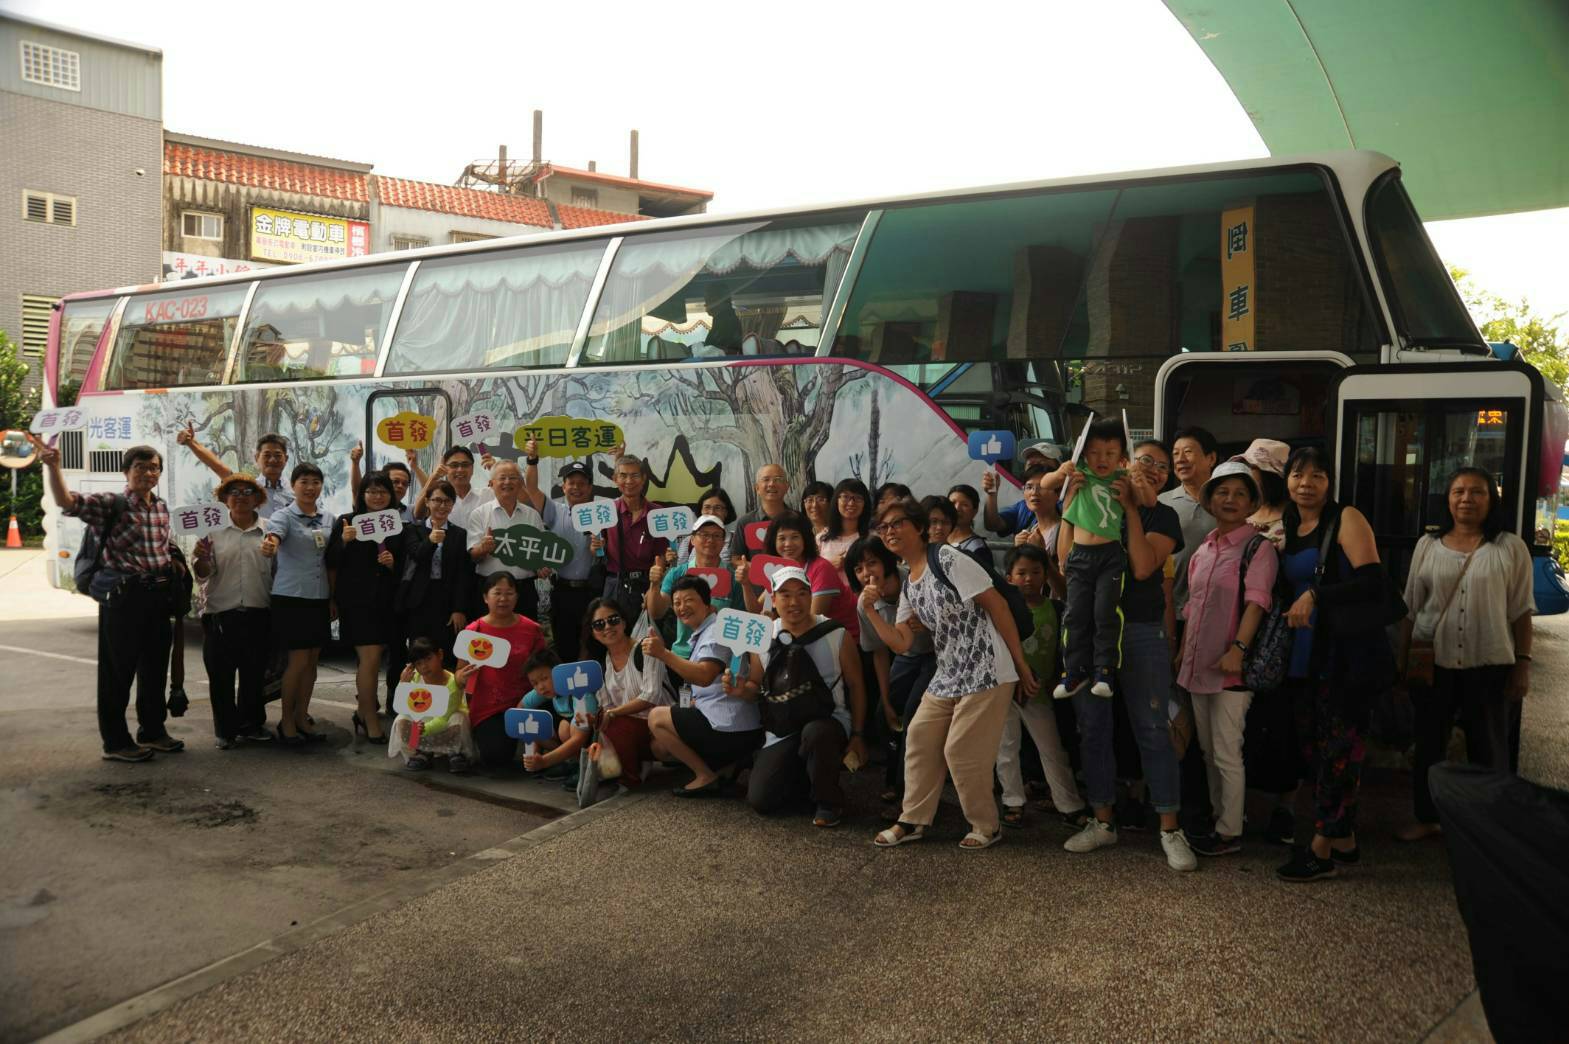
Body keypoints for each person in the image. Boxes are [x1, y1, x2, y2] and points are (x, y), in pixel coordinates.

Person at [864, 498, 1037, 851]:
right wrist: (868, 609)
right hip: (949, 672)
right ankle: (912, 819)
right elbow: (900, 643)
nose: (891, 532)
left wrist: (1020, 665)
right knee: (920, 738)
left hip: (988, 668)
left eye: (898, 523)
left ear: (918, 527)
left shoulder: (946, 558)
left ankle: (986, 825)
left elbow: (997, 605)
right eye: (884, 528)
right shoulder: (909, 582)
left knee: (961, 751)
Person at [1060, 441, 1196, 870]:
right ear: (1124, 464)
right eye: (1144, 461)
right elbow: (1066, 562)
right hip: (1090, 636)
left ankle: (1170, 829)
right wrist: (1070, 501)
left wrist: (1133, 510)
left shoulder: (1163, 515)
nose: (1153, 469)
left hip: (1139, 631)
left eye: (1160, 465)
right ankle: (1102, 821)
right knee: (1093, 727)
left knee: (1152, 729)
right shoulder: (1092, 496)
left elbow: (1141, 568)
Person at [1274, 446, 1396, 882]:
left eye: (1318, 475)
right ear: (1286, 479)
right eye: (1298, 474)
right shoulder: (1288, 523)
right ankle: (1344, 839)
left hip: (1347, 656)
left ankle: (1321, 849)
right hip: (1305, 655)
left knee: (1339, 752)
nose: (1306, 483)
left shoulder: (1346, 518)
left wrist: (1317, 595)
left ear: (1331, 482)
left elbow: (1372, 581)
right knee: (1316, 749)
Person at [1398, 467, 1534, 842]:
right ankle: (1427, 818)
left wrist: (1523, 664)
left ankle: (1485, 825)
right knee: (1429, 745)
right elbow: (1410, 608)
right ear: (1448, 499)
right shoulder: (1428, 545)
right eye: (1459, 491)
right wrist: (1402, 659)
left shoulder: (1509, 547)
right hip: (1433, 662)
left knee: (1487, 750)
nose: (1466, 499)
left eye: (1477, 492)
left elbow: (1522, 611)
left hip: (1489, 663)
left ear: (1491, 500)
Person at [36, 439, 187, 762]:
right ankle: (116, 742)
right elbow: (68, 502)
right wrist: (52, 466)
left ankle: (152, 731)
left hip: (157, 598)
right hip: (124, 599)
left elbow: (161, 547)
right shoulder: (111, 504)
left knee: (154, 670)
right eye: (140, 467)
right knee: (117, 673)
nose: (148, 473)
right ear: (126, 471)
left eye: (154, 467)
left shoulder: (160, 507)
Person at [1177, 461, 1279, 857]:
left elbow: (1257, 602)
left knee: (1225, 751)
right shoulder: (1205, 548)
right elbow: (1191, 607)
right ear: (1209, 500)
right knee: (1207, 751)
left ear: (1252, 502)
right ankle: (1222, 817)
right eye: (1222, 492)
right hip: (1198, 664)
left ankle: (1230, 830)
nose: (1230, 500)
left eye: (1240, 493)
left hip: (1231, 667)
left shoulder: (1258, 547)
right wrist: (1183, 651)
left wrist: (1237, 650)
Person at [733, 566, 868, 826]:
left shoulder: (835, 633)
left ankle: (829, 802)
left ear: (811, 595)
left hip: (827, 720)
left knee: (817, 734)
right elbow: (754, 685)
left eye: (802, 593)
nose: (794, 602)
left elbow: (856, 685)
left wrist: (858, 736)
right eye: (785, 594)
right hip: (781, 727)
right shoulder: (762, 634)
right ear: (773, 598)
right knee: (762, 800)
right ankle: (805, 775)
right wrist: (740, 691)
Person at [1055, 418, 1151, 699]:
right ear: (1084, 454)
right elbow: (1048, 484)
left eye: (1110, 454)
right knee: (1074, 614)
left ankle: (1104, 670)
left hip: (1110, 555)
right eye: (1095, 452)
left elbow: (1149, 501)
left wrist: (1138, 477)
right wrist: (1061, 471)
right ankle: (1073, 672)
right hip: (1079, 556)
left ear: (1122, 456)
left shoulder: (1123, 479)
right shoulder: (1079, 474)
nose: (1102, 459)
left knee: (1105, 612)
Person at [995, 545, 1085, 828]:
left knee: (1052, 750)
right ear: (1008, 577)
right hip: (1007, 692)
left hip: (1040, 693)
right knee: (1006, 749)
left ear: (1046, 575)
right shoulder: (1002, 611)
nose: (1029, 579)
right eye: (1021, 573)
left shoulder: (1056, 609)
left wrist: (1052, 680)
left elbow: (1061, 651)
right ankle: (1013, 802)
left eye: (1036, 572)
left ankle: (1069, 804)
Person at [645, 577, 762, 795]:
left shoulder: (717, 628)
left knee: (656, 718)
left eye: (689, 600)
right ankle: (727, 766)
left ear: (707, 604)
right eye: (677, 602)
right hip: (732, 723)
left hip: (731, 727)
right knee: (659, 748)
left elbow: (705, 675)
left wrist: (663, 654)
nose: (682, 607)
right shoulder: (706, 629)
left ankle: (706, 776)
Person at [191, 474, 274, 749]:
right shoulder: (211, 532)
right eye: (234, 492)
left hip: (258, 612)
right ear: (225, 499)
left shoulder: (270, 531)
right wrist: (202, 558)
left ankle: (251, 725)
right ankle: (225, 731)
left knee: (253, 675)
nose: (240, 496)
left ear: (257, 499)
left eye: (247, 491)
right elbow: (202, 574)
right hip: (220, 614)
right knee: (221, 677)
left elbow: (278, 572)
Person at [326, 472, 405, 742]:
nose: (377, 496)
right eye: (371, 491)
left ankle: (362, 711)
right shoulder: (346, 521)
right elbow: (331, 561)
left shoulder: (396, 524)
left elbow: (405, 566)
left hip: (386, 602)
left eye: (383, 491)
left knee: (374, 659)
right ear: (362, 495)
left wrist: (392, 563)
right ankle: (371, 718)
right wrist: (344, 541)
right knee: (370, 660)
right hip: (357, 602)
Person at [260, 463, 333, 746]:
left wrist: (333, 598)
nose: (310, 487)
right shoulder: (284, 515)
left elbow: (331, 559)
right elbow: (273, 535)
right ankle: (287, 720)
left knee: (313, 662)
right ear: (293, 486)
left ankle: (303, 716)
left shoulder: (329, 518)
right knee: (298, 661)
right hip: (291, 598)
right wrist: (270, 544)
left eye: (316, 481)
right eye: (304, 481)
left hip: (318, 596)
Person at [584, 598, 675, 787]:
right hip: (630, 728)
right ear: (593, 633)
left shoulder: (646, 648)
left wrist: (613, 713)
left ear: (624, 622)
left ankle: (629, 779)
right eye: (599, 624)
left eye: (613, 620)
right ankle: (629, 768)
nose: (607, 627)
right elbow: (606, 705)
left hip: (661, 724)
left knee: (655, 745)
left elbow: (652, 696)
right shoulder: (601, 664)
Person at [461, 572, 547, 770]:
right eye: (497, 593)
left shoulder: (531, 629)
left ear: (517, 597)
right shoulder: (473, 631)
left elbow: (543, 667)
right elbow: (459, 674)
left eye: (509, 593)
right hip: (490, 707)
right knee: (496, 758)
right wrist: (463, 677)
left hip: (527, 702)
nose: (503, 599)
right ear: (485, 597)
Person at [523, 450, 602, 663]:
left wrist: (599, 550)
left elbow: (607, 554)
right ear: (563, 486)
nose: (576, 487)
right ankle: (566, 694)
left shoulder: (600, 514)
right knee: (565, 647)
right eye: (571, 483)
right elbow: (530, 488)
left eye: (582, 483)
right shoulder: (554, 511)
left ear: (590, 487)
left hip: (593, 592)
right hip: (563, 591)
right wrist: (532, 459)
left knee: (594, 647)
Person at [394, 478, 475, 676]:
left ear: (452, 505)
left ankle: (445, 702)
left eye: (447, 501)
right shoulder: (413, 530)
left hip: (446, 602)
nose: (441, 505)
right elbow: (416, 554)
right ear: (428, 502)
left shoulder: (459, 534)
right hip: (418, 601)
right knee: (418, 655)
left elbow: (462, 575)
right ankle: (411, 702)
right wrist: (430, 541)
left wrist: (459, 608)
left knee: (445, 653)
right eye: (437, 500)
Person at [736, 511, 855, 635]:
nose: (788, 544)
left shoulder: (821, 568)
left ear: (805, 539)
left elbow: (812, 622)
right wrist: (745, 584)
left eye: (795, 537)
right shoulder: (780, 569)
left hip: (842, 638)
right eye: (782, 538)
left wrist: (775, 624)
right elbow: (757, 610)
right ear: (773, 541)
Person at [467, 460, 547, 620]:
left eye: (513, 478)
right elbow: (472, 555)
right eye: (502, 478)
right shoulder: (479, 514)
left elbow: (541, 553)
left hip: (524, 590)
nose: (507, 482)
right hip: (490, 590)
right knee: (490, 641)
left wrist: (542, 566)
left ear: (520, 483)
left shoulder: (532, 515)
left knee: (525, 639)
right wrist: (483, 549)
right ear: (491, 483)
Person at [648, 514, 737, 657]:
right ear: (692, 539)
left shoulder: (733, 577)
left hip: (720, 657)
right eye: (704, 534)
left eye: (717, 536)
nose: (710, 540)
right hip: (683, 655)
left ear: (723, 542)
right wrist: (654, 585)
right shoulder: (677, 573)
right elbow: (657, 612)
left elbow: (741, 619)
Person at [391, 637, 479, 772]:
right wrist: (403, 684)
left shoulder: (451, 682)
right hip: (422, 725)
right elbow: (403, 706)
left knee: (459, 718)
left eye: (428, 659)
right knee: (401, 720)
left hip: (443, 726)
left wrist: (425, 728)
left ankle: (456, 753)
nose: (424, 666)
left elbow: (444, 718)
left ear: (440, 655)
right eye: (419, 663)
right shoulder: (413, 678)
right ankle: (418, 753)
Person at [598, 452, 668, 615]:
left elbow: (662, 555)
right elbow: (596, 550)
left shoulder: (658, 513)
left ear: (643, 478)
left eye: (634, 475)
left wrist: (654, 588)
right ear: (615, 479)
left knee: (645, 638)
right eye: (623, 476)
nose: (629, 481)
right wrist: (596, 547)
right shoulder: (605, 512)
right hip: (614, 585)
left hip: (647, 584)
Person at [1161, 426, 1219, 620]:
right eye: (1175, 454)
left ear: (1211, 458)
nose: (1180, 459)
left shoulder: (1227, 503)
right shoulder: (1161, 503)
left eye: (1188, 452)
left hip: (1214, 612)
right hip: (1170, 610)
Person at [176, 426, 294, 518]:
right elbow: (218, 467)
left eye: (278, 455)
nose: (272, 460)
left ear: (286, 459)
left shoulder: (295, 491)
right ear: (257, 457)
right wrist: (191, 443)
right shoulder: (248, 488)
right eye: (267, 455)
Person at [520, 650, 600, 780]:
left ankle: (582, 767)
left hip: (592, 740)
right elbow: (521, 710)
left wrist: (544, 761)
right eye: (534, 683)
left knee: (566, 728)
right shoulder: (546, 690)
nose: (540, 686)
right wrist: (532, 755)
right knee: (530, 722)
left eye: (544, 679)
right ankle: (566, 761)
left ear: (558, 673)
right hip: (568, 740)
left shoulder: (579, 690)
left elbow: (580, 737)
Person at [982, 441, 1063, 536]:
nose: (1035, 470)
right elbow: (993, 524)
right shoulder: (1023, 507)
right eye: (1030, 465)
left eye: (1042, 465)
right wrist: (992, 495)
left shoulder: (1071, 502)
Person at [412, 445, 491, 532]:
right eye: (454, 465)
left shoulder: (488, 494)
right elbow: (418, 515)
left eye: (465, 465)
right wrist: (433, 477)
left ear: (472, 468)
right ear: (445, 468)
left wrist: (496, 469)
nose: (460, 469)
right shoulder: (437, 500)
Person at [1234, 439, 1290, 547]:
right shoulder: (1240, 510)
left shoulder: (1294, 516)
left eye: (1252, 467)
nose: (1245, 473)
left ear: (1269, 476)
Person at [733, 463, 792, 561]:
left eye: (778, 479)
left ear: (787, 487)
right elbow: (736, 558)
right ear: (757, 488)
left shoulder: (799, 519)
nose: (772, 484)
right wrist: (755, 568)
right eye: (766, 479)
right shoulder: (745, 522)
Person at [817, 479, 871, 576]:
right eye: (845, 497)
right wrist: (829, 566)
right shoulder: (821, 539)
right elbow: (810, 576)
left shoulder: (872, 538)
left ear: (865, 504)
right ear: (836, 501)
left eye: (858, 498)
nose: (851, 503)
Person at [673, 486, 736, 564]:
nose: (712, 512)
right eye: (707, 507)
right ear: (701, 510)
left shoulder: (736, 540)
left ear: (726, 512)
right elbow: (680, 570)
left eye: (718, 508)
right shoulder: (688, 542)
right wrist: (672, 560)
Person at [947, 484, 989, 556]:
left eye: (964, 504)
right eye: (952, 503)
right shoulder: (937, 537)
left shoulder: (977, 548)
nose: (957, 508)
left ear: (975, 511)